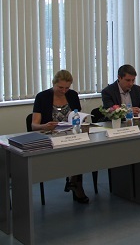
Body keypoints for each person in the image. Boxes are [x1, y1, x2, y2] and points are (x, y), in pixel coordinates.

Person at [31, 70, 88, 203]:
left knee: (81, 149)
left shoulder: (72, 95)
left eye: (67, 88)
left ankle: (74, 181)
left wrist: (81, 119)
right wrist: (45, 126)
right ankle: (75, 183)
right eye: (60, 87)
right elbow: (34, 125)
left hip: (70, 134)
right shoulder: (42, 97)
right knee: (74, 151)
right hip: (50, 136)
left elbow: (76, 116)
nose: (63, 91)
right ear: (53, 83)